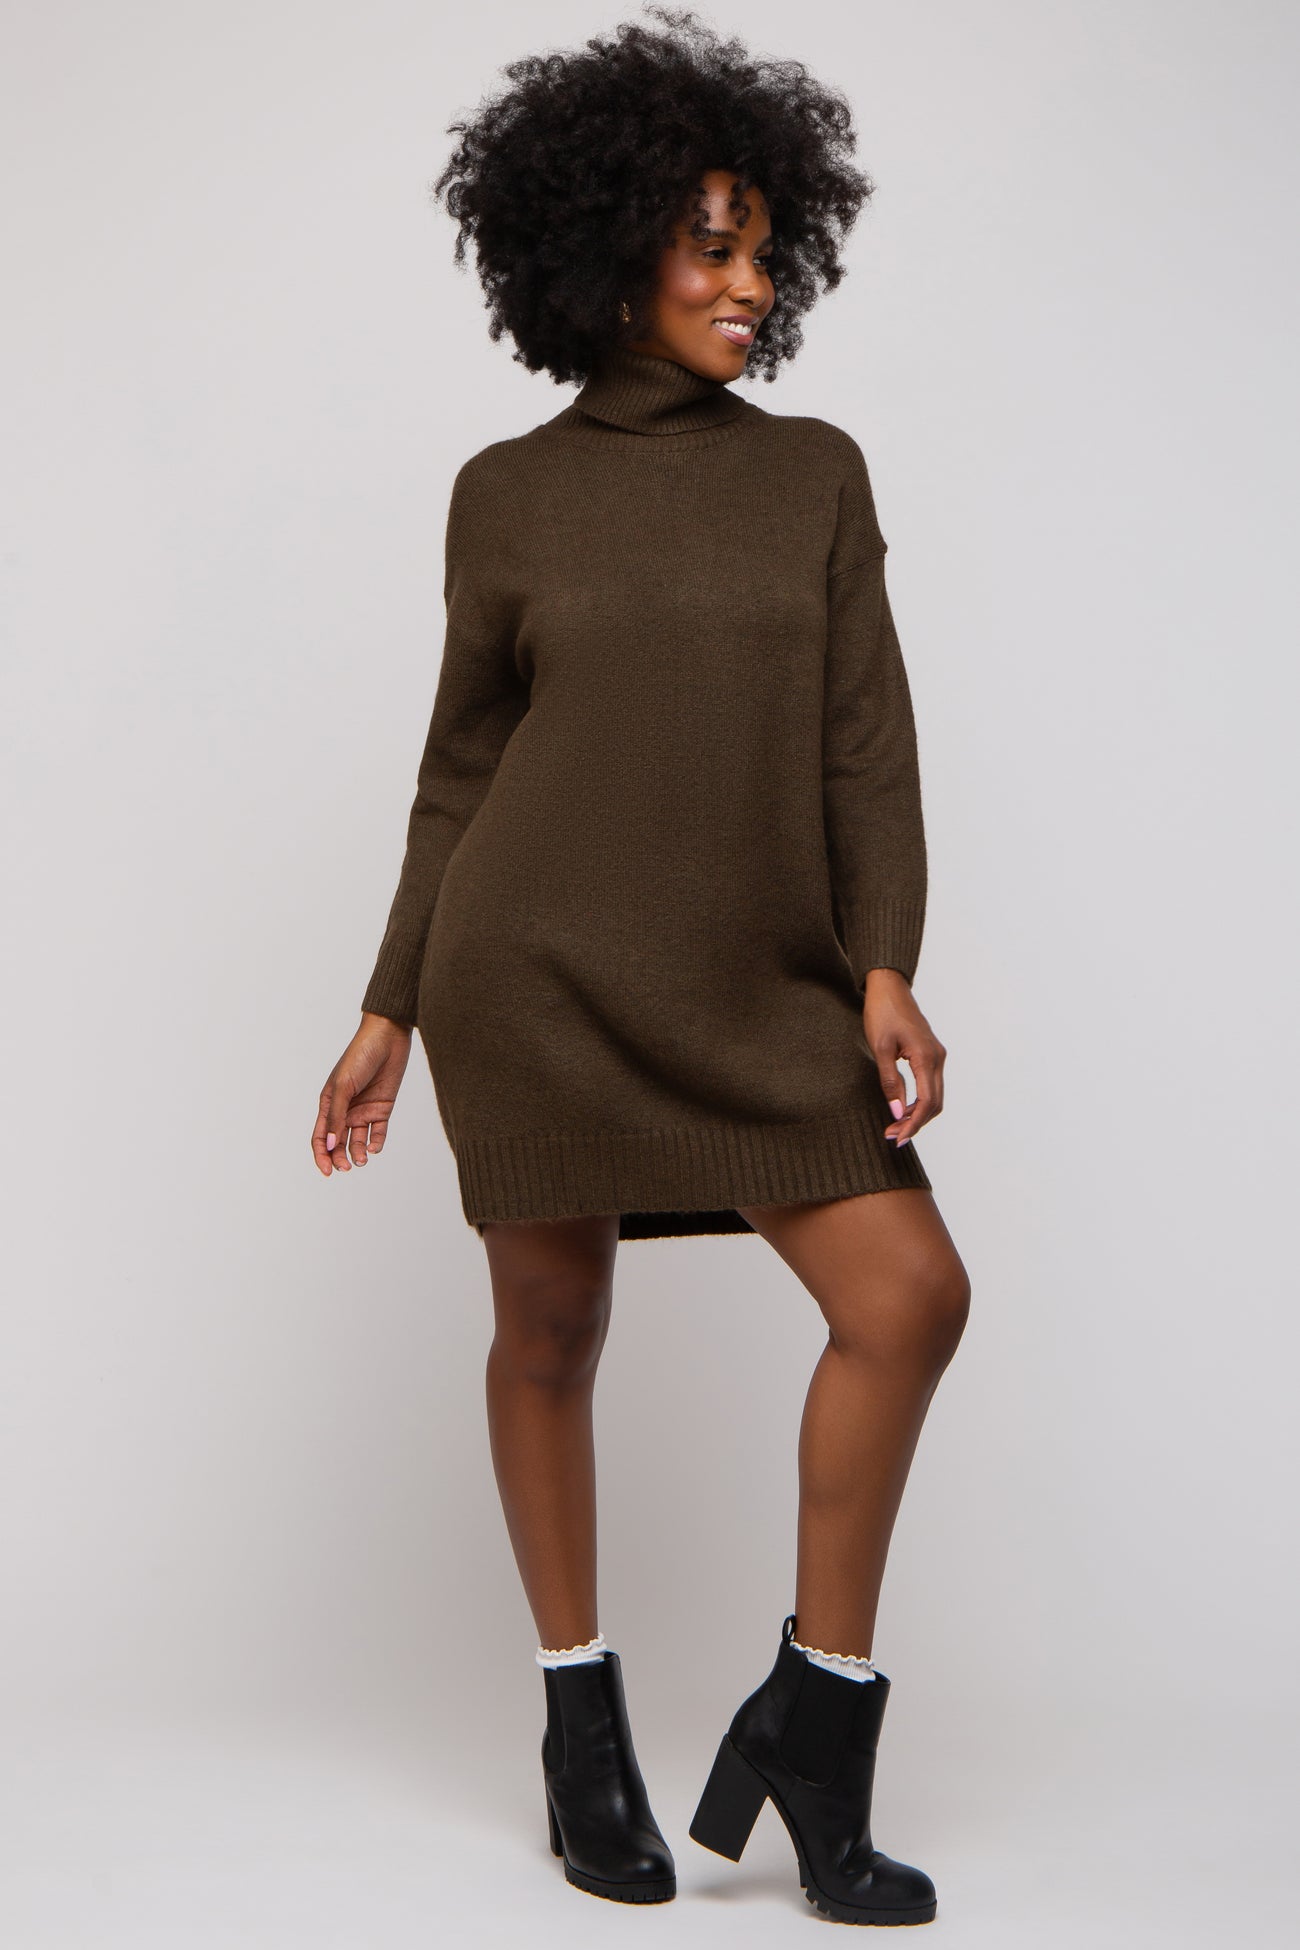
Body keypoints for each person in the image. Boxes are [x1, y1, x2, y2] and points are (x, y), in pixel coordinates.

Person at [312, 6, 970, 1926]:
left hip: (757, 979)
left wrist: (884, 963)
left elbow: (866, 742)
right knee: (550, 1334)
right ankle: (578, 1724)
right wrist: (389, 1005)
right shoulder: (504, 494)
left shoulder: (814, 473)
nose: (751, 284)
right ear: (607, 258)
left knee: (910, 1294)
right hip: (533, 973)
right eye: (711, 246)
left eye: (766, 250)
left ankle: (814, 1719)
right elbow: (462, 771)